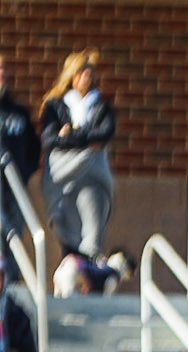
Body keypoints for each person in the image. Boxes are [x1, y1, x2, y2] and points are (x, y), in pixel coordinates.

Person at [38, 49, 115, 261]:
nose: (86, 77)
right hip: (63, 178)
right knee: (67, 233)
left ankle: (90, 273)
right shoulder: (55, 106)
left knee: (92, 232)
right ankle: (73, 270)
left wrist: (71, 133)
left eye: (90, 73)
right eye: (82, 72)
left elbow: (105, 133)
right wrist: (84, 139)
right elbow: (49, 139)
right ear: (72, 75)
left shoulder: (101, 106)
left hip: (92, 175)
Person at [0, 54, 40, 243]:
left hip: (15, 186)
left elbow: (34, 146)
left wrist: (24, 172)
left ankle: (11, 265)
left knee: (15, 238)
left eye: (4, 68)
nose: (2, 73)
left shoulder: (19, 112)